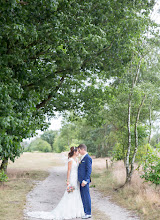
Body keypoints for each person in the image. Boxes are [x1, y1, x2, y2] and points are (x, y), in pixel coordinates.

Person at [26, 147, 84, 219]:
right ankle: (67, 211)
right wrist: (68, 180)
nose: (79, 153)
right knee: (70, 193)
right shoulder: (71, 160)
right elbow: (68, 171)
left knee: (76, 193)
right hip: (72, 179)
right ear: (75, 152)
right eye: (78, 151)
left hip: (76, 179)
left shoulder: (77, 160)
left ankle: (75, 211)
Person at [78, 144, 92, 219]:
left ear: (83, 149)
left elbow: (89, 170)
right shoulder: (83, 158)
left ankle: (88, 213)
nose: (79, 151)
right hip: (81, 181)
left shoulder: (88, 158)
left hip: (84, 181)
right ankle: (85, 211)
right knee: (83, 196)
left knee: (86, 196)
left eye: (79, 150)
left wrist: (85, 180)